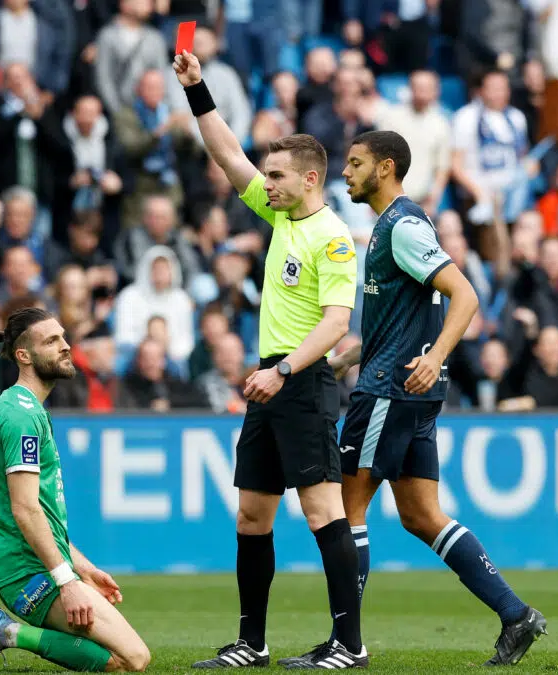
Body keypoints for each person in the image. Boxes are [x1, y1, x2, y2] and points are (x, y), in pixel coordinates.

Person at [286, 130, 548, 667]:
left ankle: (345, 645)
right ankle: (516, 615)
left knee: (345, 507)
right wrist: (342, 358)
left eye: (355, 163)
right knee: (422, 515)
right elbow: (402, 320)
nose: (346, 173)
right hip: (405, 390)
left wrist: (434, 358)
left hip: (390, 391)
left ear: (385, 168)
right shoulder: (402, 226)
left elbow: (466, 295)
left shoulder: (401, 226)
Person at [172, 51, 367, 669]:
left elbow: (337, 326)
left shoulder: (331, 236)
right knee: (253, 513)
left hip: (301, 379)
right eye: (269, 174)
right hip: (270, 379)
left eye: (278, 174)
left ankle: (349, 644)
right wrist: (198, 89)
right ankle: (252, 643)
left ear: (309, 178)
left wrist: (282, 370)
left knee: (321, 510)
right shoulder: (282, 215)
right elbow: (228, 154)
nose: (267, 181)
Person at [0, 307, 150, 673]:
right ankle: (5, 632)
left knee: (126, 658)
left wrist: (83, 568)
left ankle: (4, 630)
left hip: (39, 566)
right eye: (51, 341)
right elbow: (25, 510)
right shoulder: (21, 415)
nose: (65, 346)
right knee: (132, 660)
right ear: (23, 356)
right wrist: (67, 582)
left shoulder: (28, 409)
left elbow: (42, 509)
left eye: (62, 337)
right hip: (30, 573)